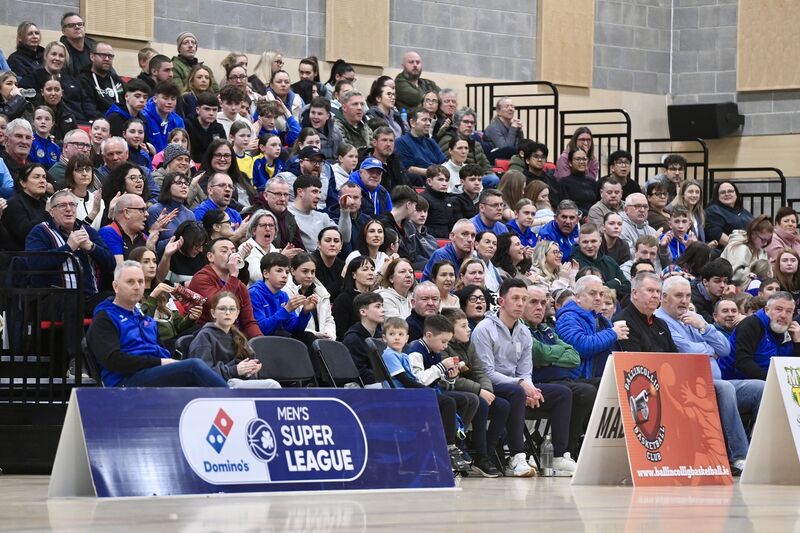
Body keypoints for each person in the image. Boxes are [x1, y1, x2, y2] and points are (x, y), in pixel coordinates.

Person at [472, 278, 576, 476]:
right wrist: (521, 384)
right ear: (501, 302)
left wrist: (530, 387)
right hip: (491, 386)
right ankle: (516, 457)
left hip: (516, 386)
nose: (520, 303)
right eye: (515, 298)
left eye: (523, 299)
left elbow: (525, 371)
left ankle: (559, 456)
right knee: (516, 391)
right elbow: (486, 372)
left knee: (563, 393)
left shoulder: (524, 332)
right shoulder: (484, 330)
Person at [86, 261, 227, 388]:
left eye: (140, 282)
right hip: (124, 381)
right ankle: (233, 401)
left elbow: (161, 349)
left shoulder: (143, 317)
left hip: (153, 373)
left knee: (195, 378)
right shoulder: (105, 317)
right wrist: (159, 362)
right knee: (193, 367)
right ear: (115, 286)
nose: (137, 287)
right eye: (130, 282)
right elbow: (113, 360)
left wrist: (166, 362)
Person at [524, 284, 599, 458]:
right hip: (539, 384)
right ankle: (566, 452)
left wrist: (549, 356)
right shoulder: (522, 330)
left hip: (560, 380)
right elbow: (539, 354)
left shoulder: (546, 330)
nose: (539, 307)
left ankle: (591, 446)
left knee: (602, 384)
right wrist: (554, 354)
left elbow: (574, 357)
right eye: (533, 302)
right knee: (584, 392)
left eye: (543, 303)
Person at [403, 314, 480, 471]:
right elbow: (418, 380)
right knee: (449, 402)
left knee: (470, 399)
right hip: (416, 394)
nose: (445, 346)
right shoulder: (415, 351)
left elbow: (437, 381)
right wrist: (440, 368)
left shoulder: (434, 349)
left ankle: (455, 439)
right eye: (443, 341)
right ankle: (447, 445)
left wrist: (450, 377)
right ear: (429, 335)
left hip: (431, 392)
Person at [25, 189, 115, 312]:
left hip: (87, 298)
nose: (69, 209)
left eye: (72, 204)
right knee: (71, 301)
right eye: (62, 205)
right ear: (51, 212)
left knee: (116, 299)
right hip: (53, 299)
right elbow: (34, 263)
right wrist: (68, 248)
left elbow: (110, 263)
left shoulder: (88, 231)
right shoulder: (39, 232)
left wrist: (91, 247)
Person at [189, 291, 280, 389]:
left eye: (232, 309)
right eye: (222, 309)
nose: (227, 313)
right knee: (272, 385)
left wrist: (249, 371)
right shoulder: (204, 336)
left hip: (237, 382)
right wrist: (235, 370)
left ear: (237, 314)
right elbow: (202, 373)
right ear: (213, 313)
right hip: (218, 385)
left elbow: (249, 364)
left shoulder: (239, 336)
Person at [187, 237, 263, 338]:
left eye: (233, 251)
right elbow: (218, 304)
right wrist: (234, 275)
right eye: (224, 251)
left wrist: (260, 342)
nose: (230, 254)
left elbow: (249, 322)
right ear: (210, 257)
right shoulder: (201, 278)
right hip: (205, 336)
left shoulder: (240, 286)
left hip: (232, 336)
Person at [554, 275, 625, 379]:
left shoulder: (601, 319)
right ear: (578, 297)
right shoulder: (568, 317)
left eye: (601, 294)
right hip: (580, 379)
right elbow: (580, 346)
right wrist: (613, 333)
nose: (598, 298)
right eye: (592, 294)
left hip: (605, 376)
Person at [728, 291, 800, 380]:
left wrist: (797, 343)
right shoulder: (752, 324)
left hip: (770, 382)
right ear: (767, 310)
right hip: (736, 381)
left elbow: (794, 369)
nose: (783, 315)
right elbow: (742, 362)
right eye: (778, 309)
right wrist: (774, 381)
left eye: (789, 311)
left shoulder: (791, 331)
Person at [248, 252, 316, 338]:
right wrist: (286, 310)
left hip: (279, 340)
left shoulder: (283, 295)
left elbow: (294, 329)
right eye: (279, 271)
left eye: (287, 272)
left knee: (307, 336)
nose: (284, 275)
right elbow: (261, 329)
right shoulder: (254, 293)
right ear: (266, 273)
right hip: (262, 343)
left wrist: (305, 312)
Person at [613, 272, 678, 352]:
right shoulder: (622, 323)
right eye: (650, 290)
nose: (656, 295)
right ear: (635, 293)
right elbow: (634, 361)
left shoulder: (661, 324)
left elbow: (675, 356)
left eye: (658, 291)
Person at [288, 174, 353, 252]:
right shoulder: (286, 214)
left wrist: (345, 212)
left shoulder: (322, 217)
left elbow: (345, 238)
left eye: (319, 192)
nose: (319, 196)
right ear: (300, 192)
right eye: (314, 192)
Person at [283, 252, 336, 340]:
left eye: (312, 272)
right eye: (305, 271)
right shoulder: (285, 291)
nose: (310, 276)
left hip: (324, 342)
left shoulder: (322, 292)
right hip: (298, 341)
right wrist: (316, 334)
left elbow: (328, 320)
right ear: (292, 271)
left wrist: (329, 336)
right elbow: (291, 323)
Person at [571, 223, 631, 301]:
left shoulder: (609, 261)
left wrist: (605, 286)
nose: (589, 245)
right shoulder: (575, 263)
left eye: (593, 241)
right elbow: (590, 291)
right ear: (579, 242)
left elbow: (627, 287)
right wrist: (615, 283)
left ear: (600, 241)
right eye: (585, 242)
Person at [342, 291, 385, 385]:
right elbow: (360, 373)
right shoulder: (353, 339)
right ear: (363, 312)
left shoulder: (381, 337)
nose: (383, 310)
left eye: (382, 306)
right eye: (377, 306)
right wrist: (387, 378)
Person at [3, 163, 48, 250]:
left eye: (44, 177)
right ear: (23, 183)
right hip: (24, 255)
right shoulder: (13, 203)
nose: (42, 181)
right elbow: (25, 233)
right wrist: (47, 213)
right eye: (36, 177)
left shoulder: (45, 202)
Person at [720, 215, 774, 286]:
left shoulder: (761, 251)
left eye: (768, 240)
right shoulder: (740, 248)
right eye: (763, 240)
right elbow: (736, 276)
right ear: (753, 234)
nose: (766, 243)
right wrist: (758, 273)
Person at [333, 255, 377, 340]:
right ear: (354, 275)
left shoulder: (376, 298)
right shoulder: (344, 299)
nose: (370, 273)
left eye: (372, 269)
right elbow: (340, 331)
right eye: (365, 269)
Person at [394, 108, 446, 180]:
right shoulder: (401, 142)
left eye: (429, 120)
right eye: (424, 120)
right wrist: (436, 173)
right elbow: (409, 169)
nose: (428, 123)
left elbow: (444, 163)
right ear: (412, 123)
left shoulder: (431, 142)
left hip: (438, 181)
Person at [79, 42, 124, 119]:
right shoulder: (84, 79)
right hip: (100, 122)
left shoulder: (117, 80)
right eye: (103, 55)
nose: (107, 59)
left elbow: (126, 103)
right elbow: (89, 109)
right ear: (92, 57)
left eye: (110, 56)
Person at [705, 181, 754, 247]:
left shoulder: (742, 211)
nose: (727, 194)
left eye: (730, 191)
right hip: (729, 250)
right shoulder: (713, 211)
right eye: (723, 192)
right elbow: (717, 234)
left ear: (736, 194)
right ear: (717, 196)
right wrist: (742, 246)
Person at [141, 81, 185, 153]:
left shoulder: (178, 121)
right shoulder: (144, 117)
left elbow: (182, 147)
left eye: (173, 99)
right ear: (155, 99)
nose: (170, 102)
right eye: (165, 98)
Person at [64, 153, 103, 230]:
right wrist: (94, 212)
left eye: (88, 169)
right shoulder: (61, 199)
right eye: (79, 170)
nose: (85, 174)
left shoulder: (99, 200)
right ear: (70, 174)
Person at [619, 192, 659, 259]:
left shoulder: (652, 231)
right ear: (626, 209)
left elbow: (665, 260)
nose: (642, 210)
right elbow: (630, 256)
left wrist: (664, 248)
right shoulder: (620, 228)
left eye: (645, 206)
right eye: (637, 206)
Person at [59, 13, 96, 79]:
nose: (77, 27)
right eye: (71, 25)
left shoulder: (95, 47)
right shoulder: (59, 51)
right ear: (63, 31)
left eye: (80, 24)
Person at [313, 226, 345, 300]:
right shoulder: (311, 263)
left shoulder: (341, 265)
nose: (332, 244)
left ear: (341, 246)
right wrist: (343, 276)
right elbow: (325, 295)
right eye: (328, 240)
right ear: (319, 244)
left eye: (336, 241)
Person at [671, 179, 707, 243]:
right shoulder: (676, 213)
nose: (694, 195)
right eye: (690, 192)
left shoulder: (700, 214)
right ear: (682, 194)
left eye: (697, 192)